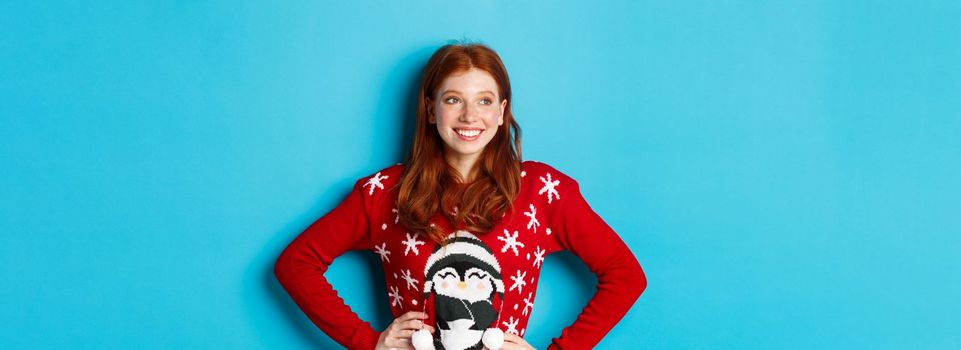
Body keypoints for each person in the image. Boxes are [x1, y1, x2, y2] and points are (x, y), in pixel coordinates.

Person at [274, 41, 647, 350]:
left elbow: (626, 276)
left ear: (502, 113)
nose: (470, 116)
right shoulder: (384, 193)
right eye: (453, 99)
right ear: (431, 110)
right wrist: (367, 342)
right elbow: (296, 263)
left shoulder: (542, 191)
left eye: (484, 101)